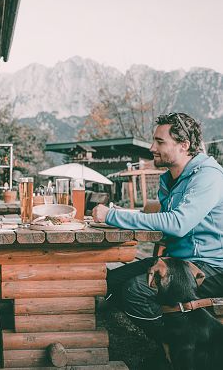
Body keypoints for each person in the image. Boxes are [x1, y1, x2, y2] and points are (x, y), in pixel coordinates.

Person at [92, 112, 223, 365]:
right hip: (178, 261)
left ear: (183, 145)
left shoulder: (208, 176)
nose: (152, 148)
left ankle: (177, 345)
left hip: (210, 267)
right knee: (110, 281)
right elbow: (163, 221)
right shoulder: (169, 179)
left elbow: (177, 223)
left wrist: (113, 215)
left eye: (159, 142)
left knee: (135, 291)